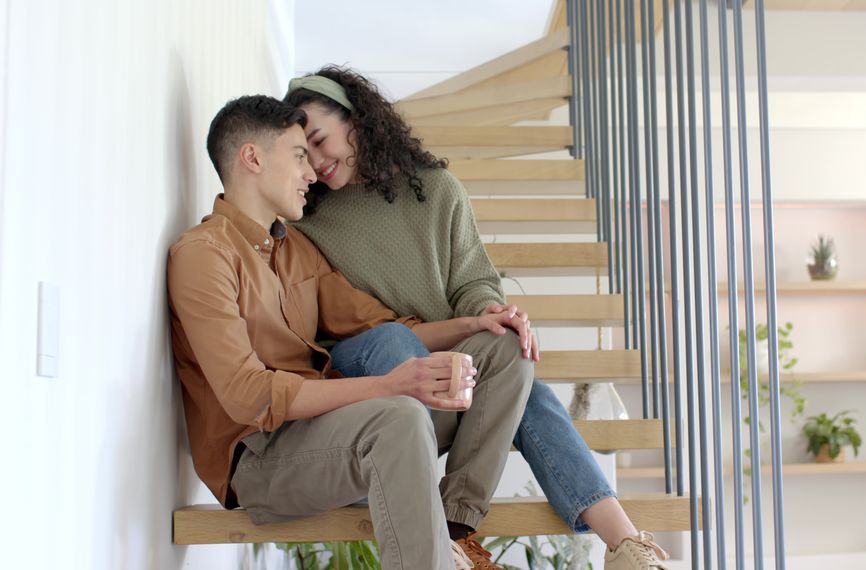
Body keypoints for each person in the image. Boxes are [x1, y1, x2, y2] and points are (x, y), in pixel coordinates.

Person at [284, 66, 670, 569]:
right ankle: (437, 520)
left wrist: (490, 311)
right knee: (397, 346)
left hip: (451, 369)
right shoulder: (305, 216)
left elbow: (472, 280)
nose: (316, 162)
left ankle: (616, 547)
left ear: (356, 120)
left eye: (320, 140)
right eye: (302, 153)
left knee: (512, 351)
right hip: (369, 371)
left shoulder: (436, 189)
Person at [168, 94, 535, 569]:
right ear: (253, 158)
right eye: (300, 156)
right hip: (258, 456)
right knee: (398, 416)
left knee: (503, 348)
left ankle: (455, 529)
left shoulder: (296, 251)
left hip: (335, 432)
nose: (311, 173)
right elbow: (248, 396)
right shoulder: (204, 256)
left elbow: (377, 322)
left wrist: (478, 323)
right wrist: (388, 386)